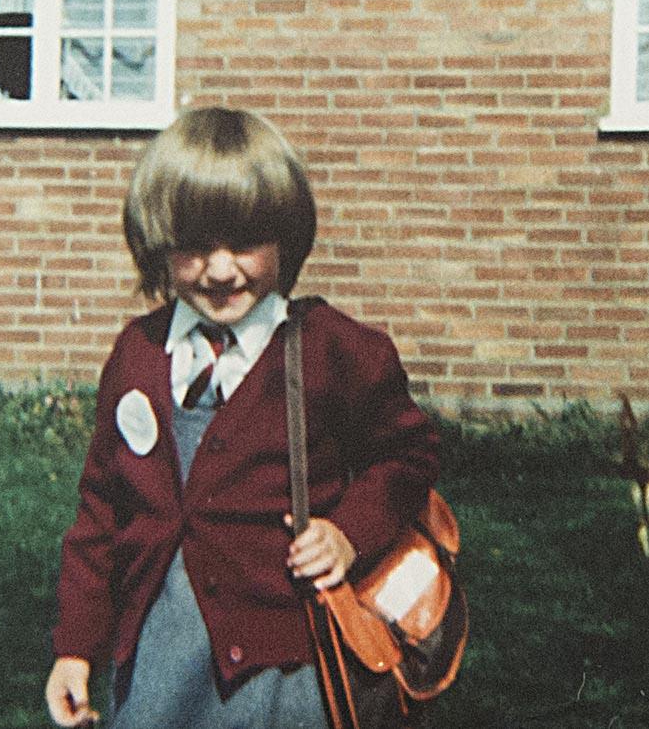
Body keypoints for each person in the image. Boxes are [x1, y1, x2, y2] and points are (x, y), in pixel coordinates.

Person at [45, 107, 440, 729]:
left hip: (281, 669)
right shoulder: (138, 355)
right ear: (159, 244)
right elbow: (100, 514)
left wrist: (347, 532)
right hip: (159, 664)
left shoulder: (331, 350)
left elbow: (407, 456)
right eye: (197, 247)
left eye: (244, 244)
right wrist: (75, 648)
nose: (222, 270)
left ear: (285, 238)